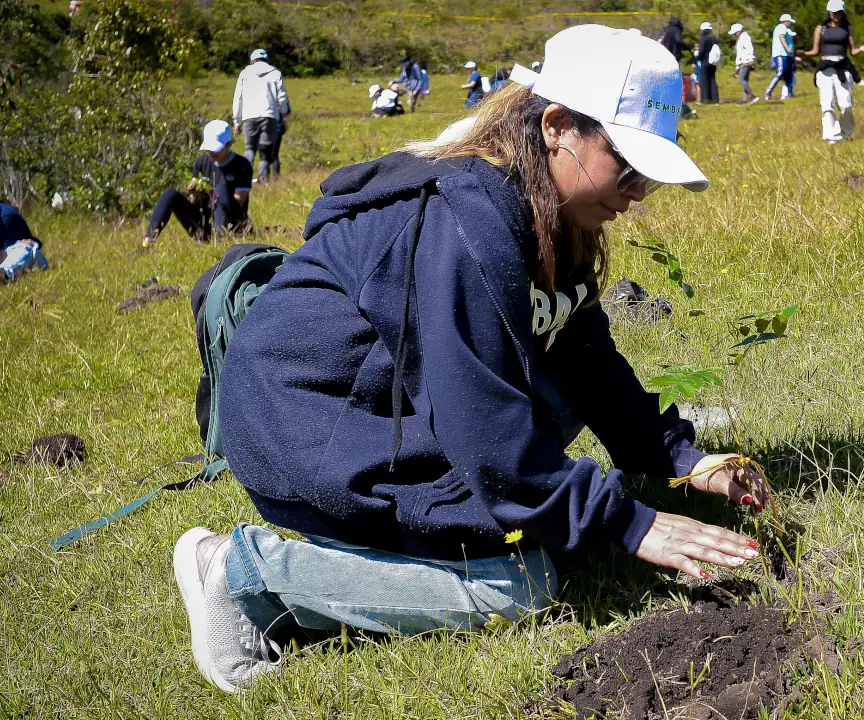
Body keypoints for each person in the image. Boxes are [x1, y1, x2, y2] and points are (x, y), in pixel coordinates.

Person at [172, 23, 767, 693]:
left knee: (556, 440)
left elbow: (585, 355)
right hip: (306, 424)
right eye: (626, 165)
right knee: (520, 584)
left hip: (380, 404)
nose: (636, 192)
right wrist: (629, 523)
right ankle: (244, 575)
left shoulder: (549, 214)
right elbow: (489, 439)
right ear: (558, 127)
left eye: (649, 177)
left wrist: (681, 460)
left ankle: (353, 565)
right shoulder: (468, 224)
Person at [143, 121, 252, 247]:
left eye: (216, 148)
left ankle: (221, 241)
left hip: (232, 223)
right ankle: (148, 240)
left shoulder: (242, 165)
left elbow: (239, 201)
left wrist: (212, 190)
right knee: (170, 194)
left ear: (228, 145)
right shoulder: (201, 163)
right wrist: (195, 194)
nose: (212, 152)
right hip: (205, 224)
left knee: (222, 188)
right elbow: (195, 204)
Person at [803, 0, 864, 143]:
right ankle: (832, 135)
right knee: (827, 104)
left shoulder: (847, 28)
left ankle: (846, 132)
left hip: (842, 68)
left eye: (839, 13)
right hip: (825, 69)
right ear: (829, 13)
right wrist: (801, 53)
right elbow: (815, 50)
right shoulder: (821, 28)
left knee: (846, 104)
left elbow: (852, 51)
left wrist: (862, 49)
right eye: (833, 13)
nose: (836, 16)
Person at [232, 49, 290, 184]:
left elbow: (238, 98)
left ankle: (244, 178)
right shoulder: (275, 73)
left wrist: (237, 121)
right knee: (265, 151)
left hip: (249, 116)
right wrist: (284, 114)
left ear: (253, 60)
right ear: (267, 60)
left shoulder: (245, 74)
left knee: (249, 149)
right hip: (270, 116)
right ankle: (262, 180)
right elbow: (282, 98)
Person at [1, 202, 48, 283]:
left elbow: (4, 254)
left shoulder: (6, 217)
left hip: (24, 254)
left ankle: (4, 274)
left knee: (24, 248)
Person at [658, 16, 695, 117]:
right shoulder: (676, 30)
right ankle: (674, 101)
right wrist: (687, 48)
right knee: (674, 80)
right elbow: (678, 41)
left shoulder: (666, 30)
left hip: (664, 58)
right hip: (673, 58)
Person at [764, 14, 797, 101]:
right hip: (781, 54)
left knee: (789, 75)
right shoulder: (781, 27)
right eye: (790, 22)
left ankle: (790, 93)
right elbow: (782, 38)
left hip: (787, 55)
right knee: (780, 73)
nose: (790, 24)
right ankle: (768, 91)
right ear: (786, 21)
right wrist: (787, 48)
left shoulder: (785, 29)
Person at [730, 23, 758, 104]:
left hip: (746, 61)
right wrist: (737, 67)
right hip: (743, 62)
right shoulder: (741, 38)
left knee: (741, 80)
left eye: (735, 32)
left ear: (739, 31)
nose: (735, 34)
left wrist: (751, 59)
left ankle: (753, 96)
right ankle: (745, 99)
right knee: (744, 80)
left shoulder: (745, 38)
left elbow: (749, 49)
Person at [695, 22, 721, 105]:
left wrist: (697, 58)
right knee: (712, 80)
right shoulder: (714, 38)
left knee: (704, 80)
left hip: (705, 61)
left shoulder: (704, 39)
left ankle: (705, 99)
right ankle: (715, 99)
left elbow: (702, 51)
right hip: (713, 62)